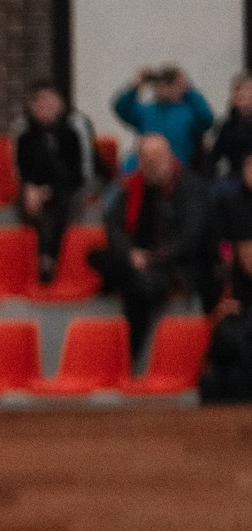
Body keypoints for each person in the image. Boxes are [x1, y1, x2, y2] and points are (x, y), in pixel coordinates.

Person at [89, 133, 211, 364]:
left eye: (156, 156)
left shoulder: (190, 187)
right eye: (145, 157)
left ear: (169, 156)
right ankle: (130, 272)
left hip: (172, 265)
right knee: (97, 256)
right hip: (135, 257)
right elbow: (113, 224)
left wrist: (151, 259)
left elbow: (189, 238)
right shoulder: (131, 186)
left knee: (136, 285)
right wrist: (131, 254)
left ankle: (131, 356)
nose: (151, 162)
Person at [14, 81, 98, 280]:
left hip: (70, 185)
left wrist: (48, 190)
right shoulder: (25, 133)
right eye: (38, 102)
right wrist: (31, 189)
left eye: (48, 101)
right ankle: (42, 261)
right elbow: (23, 169)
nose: (43, 107)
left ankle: (47, 257)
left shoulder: (74, 127)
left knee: (61, 202)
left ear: (60, 103)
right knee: (30, 202)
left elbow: (80, 172)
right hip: (39, 188)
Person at [112, 64, 214, 168]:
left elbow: (207, 119)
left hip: (174, 170)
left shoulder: (189, 114)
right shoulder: (146, 111)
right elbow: (121, 108)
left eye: (170, 83)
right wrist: (136, 85)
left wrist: (188, 89)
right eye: (161, 83)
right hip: (141, 167)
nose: (165, 87)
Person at [200, 237, 252, 401]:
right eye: (245, 249)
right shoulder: (235, 284)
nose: (249, 254)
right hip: (234, 354)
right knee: (212, 378)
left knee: (237, 374)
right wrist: (221, 314)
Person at [208, 74, 252, 188]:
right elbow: (215, 154)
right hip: (235, 177)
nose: (242, 94)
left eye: (247, 90)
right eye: (238, 90)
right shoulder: (228, 125)